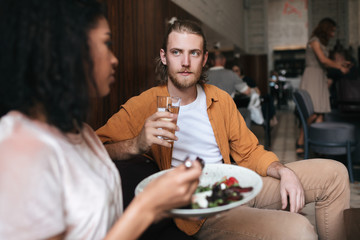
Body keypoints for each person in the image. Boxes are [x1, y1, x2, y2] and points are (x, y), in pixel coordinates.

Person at [96, 19, 350, 240]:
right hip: (204, 209)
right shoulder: (145, 104)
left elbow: (249, 151)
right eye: (177, 52)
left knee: (335, 174)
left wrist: (283, 171)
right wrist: (136, 144)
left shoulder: (219, 98)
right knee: (299, 230)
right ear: (164, 56)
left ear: (205, 59)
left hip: (238, 183)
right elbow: (94, 148)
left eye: (194, 53)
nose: (185, 62)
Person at [0, 1, 202, 239]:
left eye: (194, 53)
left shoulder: (81, 131)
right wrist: (146, 209)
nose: (114, 59)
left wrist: (137, 145)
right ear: (68, 49)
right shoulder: (21, 149)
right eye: (107, 44)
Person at [296, 18, 350, 154]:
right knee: (311, 113)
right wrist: (339, 67)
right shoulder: (314, 41)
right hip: (312, 76)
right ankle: (301, 140)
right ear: (326, 29)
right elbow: (323, 60)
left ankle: (317, 145)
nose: (333, 34)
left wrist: (340, 65)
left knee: (320, 113)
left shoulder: (323, 44)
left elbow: (327, 62)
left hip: (320, 77)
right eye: (332, 31)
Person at [207, 51, 264, 125]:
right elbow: (247, 91)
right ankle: (243, 136)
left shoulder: (204, 75)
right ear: (224, 60)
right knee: (247, 113)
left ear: (211, 61)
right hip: (227, 113)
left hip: (208, 113)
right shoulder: (231, 74)